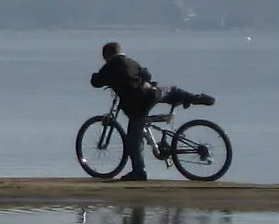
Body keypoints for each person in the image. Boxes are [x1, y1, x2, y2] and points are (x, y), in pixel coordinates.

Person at [90, 41, 212, 181]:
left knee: (133, 138)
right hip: (152, 93)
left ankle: (138, 172)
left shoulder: (110, 67)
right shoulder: (131, 62)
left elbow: (96, 82)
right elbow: (147, 75)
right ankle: (190, 97)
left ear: (106, 56)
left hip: (139, 103)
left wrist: (96, 76)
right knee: (170, 91)